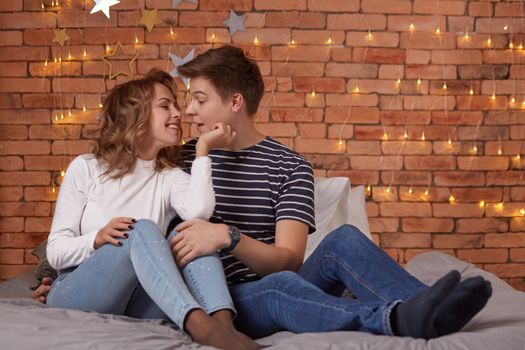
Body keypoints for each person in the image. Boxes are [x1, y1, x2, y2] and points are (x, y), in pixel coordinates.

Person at [35, 46, 493, 340]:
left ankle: (428, 305)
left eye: (198, 99)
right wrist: (53, 274)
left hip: (265, 276)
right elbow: (115, 208)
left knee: (344, 242)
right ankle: (399, 318)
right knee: (280, 289)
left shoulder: (289, 166)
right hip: (215, 292)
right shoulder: (181, 156)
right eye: (181, 101)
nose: (187, 111)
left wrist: (226, 237)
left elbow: (290, 258)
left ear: (234, 104)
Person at [43, 69, 258, 350]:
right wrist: (97, 238)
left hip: (138, 301)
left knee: (194, 234)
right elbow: (56, 252)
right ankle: (198, 324)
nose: (178, 113)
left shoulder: (167, 176)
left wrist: (203, 149)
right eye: (165, 106)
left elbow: (199, 212)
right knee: (141, 228)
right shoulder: (86, 168)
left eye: (176, 105)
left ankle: (224, 326)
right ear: (136, 114)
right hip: (78, 292)